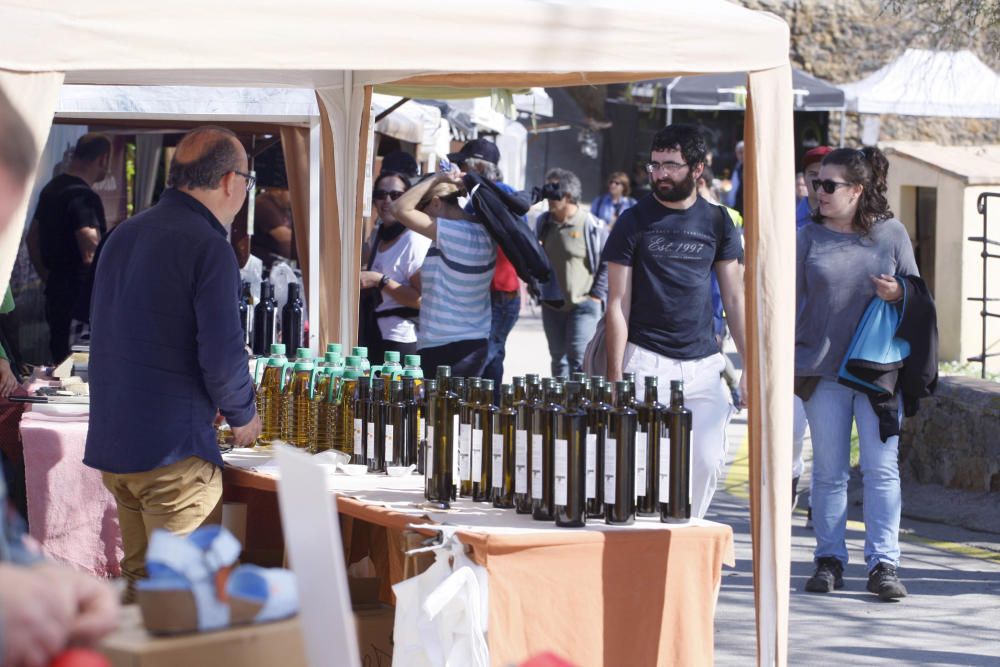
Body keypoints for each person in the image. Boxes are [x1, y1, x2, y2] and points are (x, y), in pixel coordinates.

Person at [84, 126, 262, 600]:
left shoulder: (124, 233)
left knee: (144, 593)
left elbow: (131, 335)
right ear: (230, 181)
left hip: (119, 443)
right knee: (181, 601)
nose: (247, 190)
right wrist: (243, 415)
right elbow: (222, 356)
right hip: (172, 454)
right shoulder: (208, 246)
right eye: (248, 179)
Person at [0, 87, 119, 667]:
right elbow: (86, 249)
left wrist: (37, 576)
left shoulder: (50, 190)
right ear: (99, 161)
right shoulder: (75, 199)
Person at [604, 124, 746, 519]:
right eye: (655, 165)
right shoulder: (633, 222)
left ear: (697, 168)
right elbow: (616, 304)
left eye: (671, 165)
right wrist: (615, 376)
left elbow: (734, 297)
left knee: (705, 464)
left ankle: (686, 550)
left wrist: (750, 365)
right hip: (645, 361)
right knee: (640, 476)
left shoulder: (719, 222)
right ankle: (638, 560)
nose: (660, 174)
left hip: (704, 365)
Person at [796, 146, 917, 601]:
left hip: (878, 372)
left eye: (829, 185)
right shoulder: (807, 236)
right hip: (822, 370)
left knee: (881, 469)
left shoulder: (891, 235)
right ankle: (829, 559)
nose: (818, 192)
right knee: (828, 472)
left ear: (857, 189)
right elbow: (788, 305)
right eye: (815, 183)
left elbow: (919, 297)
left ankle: (884, 563)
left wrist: (898, 292)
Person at [392, 170, 496, 378]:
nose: (421, 216)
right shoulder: (483, 231)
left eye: (423, 208)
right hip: (474, 343)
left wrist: (436, 178)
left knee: (440, 410)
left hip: (444, 345)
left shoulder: (453, 232)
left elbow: (400, 209)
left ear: (437, 203)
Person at [447, 139, 524, 402]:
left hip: (499, 293)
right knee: (494, 355)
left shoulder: (492, 195)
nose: (461, 171)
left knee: (483, 356)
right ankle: (491, 410)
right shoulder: (495, 193)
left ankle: (471, 410)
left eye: (464, 165)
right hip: (501, 292)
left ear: (478, 166)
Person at [27, 133, 110, 362]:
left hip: (56, 290)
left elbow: (31, 237)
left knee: (59, 360)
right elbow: (90, 252)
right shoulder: (83, 197)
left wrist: (48, 276)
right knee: (76, 367)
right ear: (103, 159)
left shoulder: (51, 189)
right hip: (80, 299)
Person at [537, 168, 607, 378]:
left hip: (583, 305)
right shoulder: (543, 223)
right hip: (552, 304)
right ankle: (560, 407)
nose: (547, 196)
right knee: (558, 359)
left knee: (579, 359)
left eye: (553, 190)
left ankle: (580, 408)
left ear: (567, 195)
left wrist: (595, 296)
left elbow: (608, 262)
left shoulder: (591, 225)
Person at [792, 145, 831, 510]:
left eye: (826, 178)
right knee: (788, 434)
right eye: (812, 177)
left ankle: (819, 506)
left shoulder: (851, 225)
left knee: (827, 440)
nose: (820, 186)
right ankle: (788, 487)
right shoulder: (786, 222)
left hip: (834, 351)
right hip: (791, 350)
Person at [358, 172, 428, 361]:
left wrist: (379, 280)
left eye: (395, 195)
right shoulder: (377, 235)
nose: (387, 200)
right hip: (374, 333)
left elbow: (420, 299)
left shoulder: (413, 240)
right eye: (381, 195)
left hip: (402, 339)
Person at [724, 139, 744, 214]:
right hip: (733, 206)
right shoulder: (736, 166)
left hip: (742, 208)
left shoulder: (747, 168)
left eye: (742, 152)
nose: (740, 155)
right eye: (738, 152)